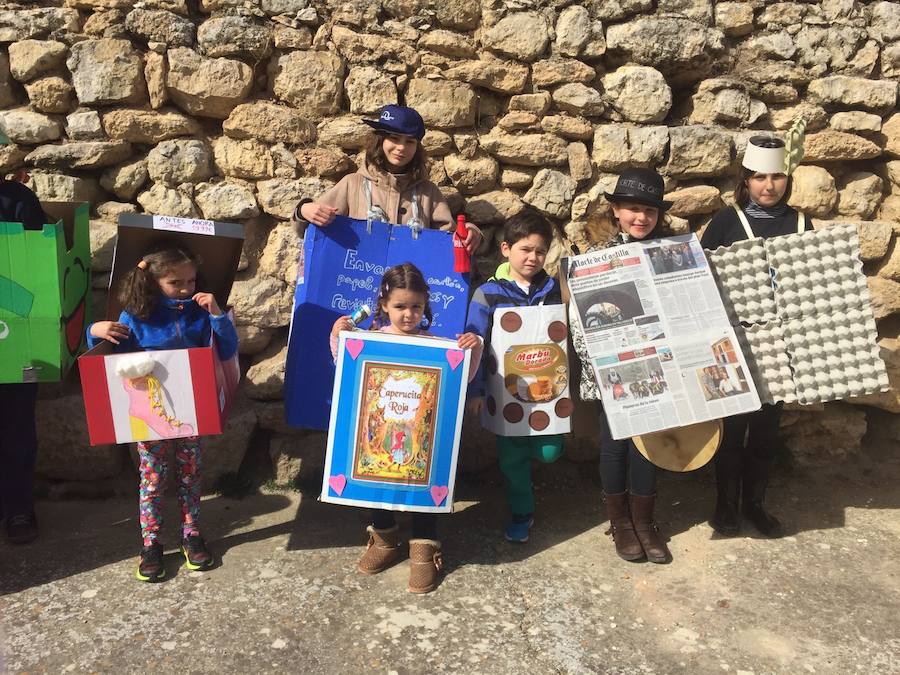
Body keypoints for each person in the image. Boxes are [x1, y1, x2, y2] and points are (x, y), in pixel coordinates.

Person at [87, 243, 238, 582]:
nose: (186, 289)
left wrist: (216, 313)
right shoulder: (136, 316)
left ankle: (191, 533)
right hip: (150, 413)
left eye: (191, 281)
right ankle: (151, 543)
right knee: (153, 478)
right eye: (176, 283)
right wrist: (93, 331)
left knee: (190, 472)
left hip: (190, 411)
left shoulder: (200, 313)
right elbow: (107, 358)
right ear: (155, 281)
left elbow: (226, 350)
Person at [329, 263, 482, 594]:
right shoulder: (370, 340)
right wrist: (339, 335)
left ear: (425, 305)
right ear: (384, 305)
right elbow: (347, 370)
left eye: (416, 306)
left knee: (422, 487)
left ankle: (424, 552)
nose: (409, 314)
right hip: (380, 437)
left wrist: (474, 347)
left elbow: (461, 381)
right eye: (400, 306)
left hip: (418, 441)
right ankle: (384, 540)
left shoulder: (437, 345)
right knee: (377, 481)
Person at [701, 134, 810, 539]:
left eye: (777, 176)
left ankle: (756, 504)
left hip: (780, 346)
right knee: (730, 429)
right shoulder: (726, 222)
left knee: (766, 431)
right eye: (760, 176)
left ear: (787, 179)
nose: (769, 185)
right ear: (746, 179)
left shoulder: (800, 223)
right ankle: (725, 507)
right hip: (734, 343)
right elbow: (701, 279)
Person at [569, 168, 674, 563]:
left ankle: (645, 522)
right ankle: (620, 523)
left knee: (648, 445)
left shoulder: (670, 255)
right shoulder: (597, 259)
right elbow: (580, 321)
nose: (640, 218)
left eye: (649, 210)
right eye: (632, 208)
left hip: (658, 369)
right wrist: (599, 366)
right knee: (615, 445)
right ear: (615, 210)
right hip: (611, 370)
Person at [464, 210, 565, 544]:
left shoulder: (552, 289)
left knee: (550, 451)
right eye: (525, 249)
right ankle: (522, 511)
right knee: (513, 459)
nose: (533, 257)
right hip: (503, 393)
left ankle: (535, 473)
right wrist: (476, 390)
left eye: (540, 251)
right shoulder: (487, 294)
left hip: (547, 392)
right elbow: (474, 341)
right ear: (506, 249)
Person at [291, 104, 482, 252]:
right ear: (380, 141)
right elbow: (309, 226)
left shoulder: (428, 192)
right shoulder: (353, 184)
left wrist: (471, 233)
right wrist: (304, 210)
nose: (401, 147)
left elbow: (449, 238)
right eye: (394, 138)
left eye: (409, 142)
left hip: (408, 297)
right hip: (358, 284)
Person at [0, 123, 47, 544]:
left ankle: (18, 510)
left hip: (14, 337)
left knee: (17, 427)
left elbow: (39, 261)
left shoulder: (18, 200)